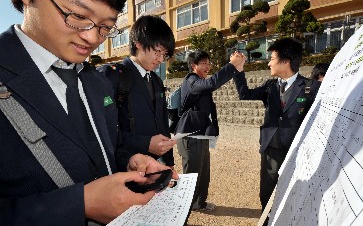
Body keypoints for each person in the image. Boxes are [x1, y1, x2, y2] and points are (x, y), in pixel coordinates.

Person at [0, 0, 178, 226]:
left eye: (106, 27)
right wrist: (79, 204)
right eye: (79, 16)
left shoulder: (96, 81)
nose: (93, 38)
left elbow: (105, 148)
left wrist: (130, 160)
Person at [233, 38, 321, 214]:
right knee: (267, 192)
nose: (269, 63)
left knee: (294, 192)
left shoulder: (312, 88)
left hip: (296, 152)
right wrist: (238, 69)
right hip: (271, 149)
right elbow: (245, 94)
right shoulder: (270, 86)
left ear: (286, 61)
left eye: (272, 58)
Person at [176, 50, 246, 211]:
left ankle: (199, 202)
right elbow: (212, 83)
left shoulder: (201, 81)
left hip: (200, 134)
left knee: (203, 171)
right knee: (192, 173)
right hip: (189, 135)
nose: (207, 66)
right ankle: (185, 205)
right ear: (193, 66)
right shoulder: (191, 80)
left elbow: (211, 84)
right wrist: (231, 65)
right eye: (204, 63)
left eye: (209, 63)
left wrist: (236, 68)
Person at [104, 15, 176, 171]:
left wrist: (169, 161)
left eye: (164, 54)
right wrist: (145, 144)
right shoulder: (112, 75)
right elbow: (102, 131)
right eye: (157, 51)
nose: (160, 59)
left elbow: (163, 123)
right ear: (138, 44)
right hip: (128, 167)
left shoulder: (156, 80)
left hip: (157, 165)